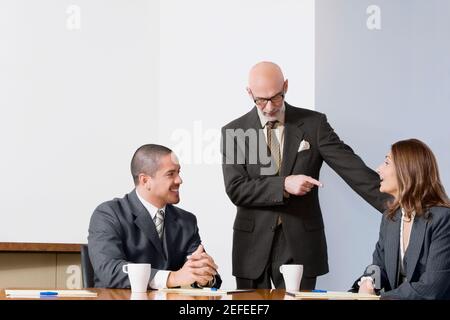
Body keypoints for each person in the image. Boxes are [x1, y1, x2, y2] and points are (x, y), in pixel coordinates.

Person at [221, 61, 389, 290]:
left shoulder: (314, 124)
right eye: (260, 100)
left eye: (276, 97)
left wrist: (397, 204)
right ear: (249, 93)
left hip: (300, 245)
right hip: (251, 247)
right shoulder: (234, 131)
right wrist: (283, 184)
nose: (269, 107)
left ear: (286, 86)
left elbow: (352, 168)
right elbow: (236, 188)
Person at [88, 144, 221, 289]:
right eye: (171, 174)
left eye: (179, 172)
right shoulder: (108, 214)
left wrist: (204, 277)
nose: (179, 180)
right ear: (145, 181)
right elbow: (109, 270)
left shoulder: (186, 221)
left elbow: (204, 272)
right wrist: (172, 278)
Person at [354, 139, 450, 299]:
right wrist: (368, 281)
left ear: (406, 170)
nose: (378, 169)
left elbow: (432, 287)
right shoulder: (390, 217)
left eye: (386, 163)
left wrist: (381, 298)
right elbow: (378, 266)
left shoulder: (443, 219)